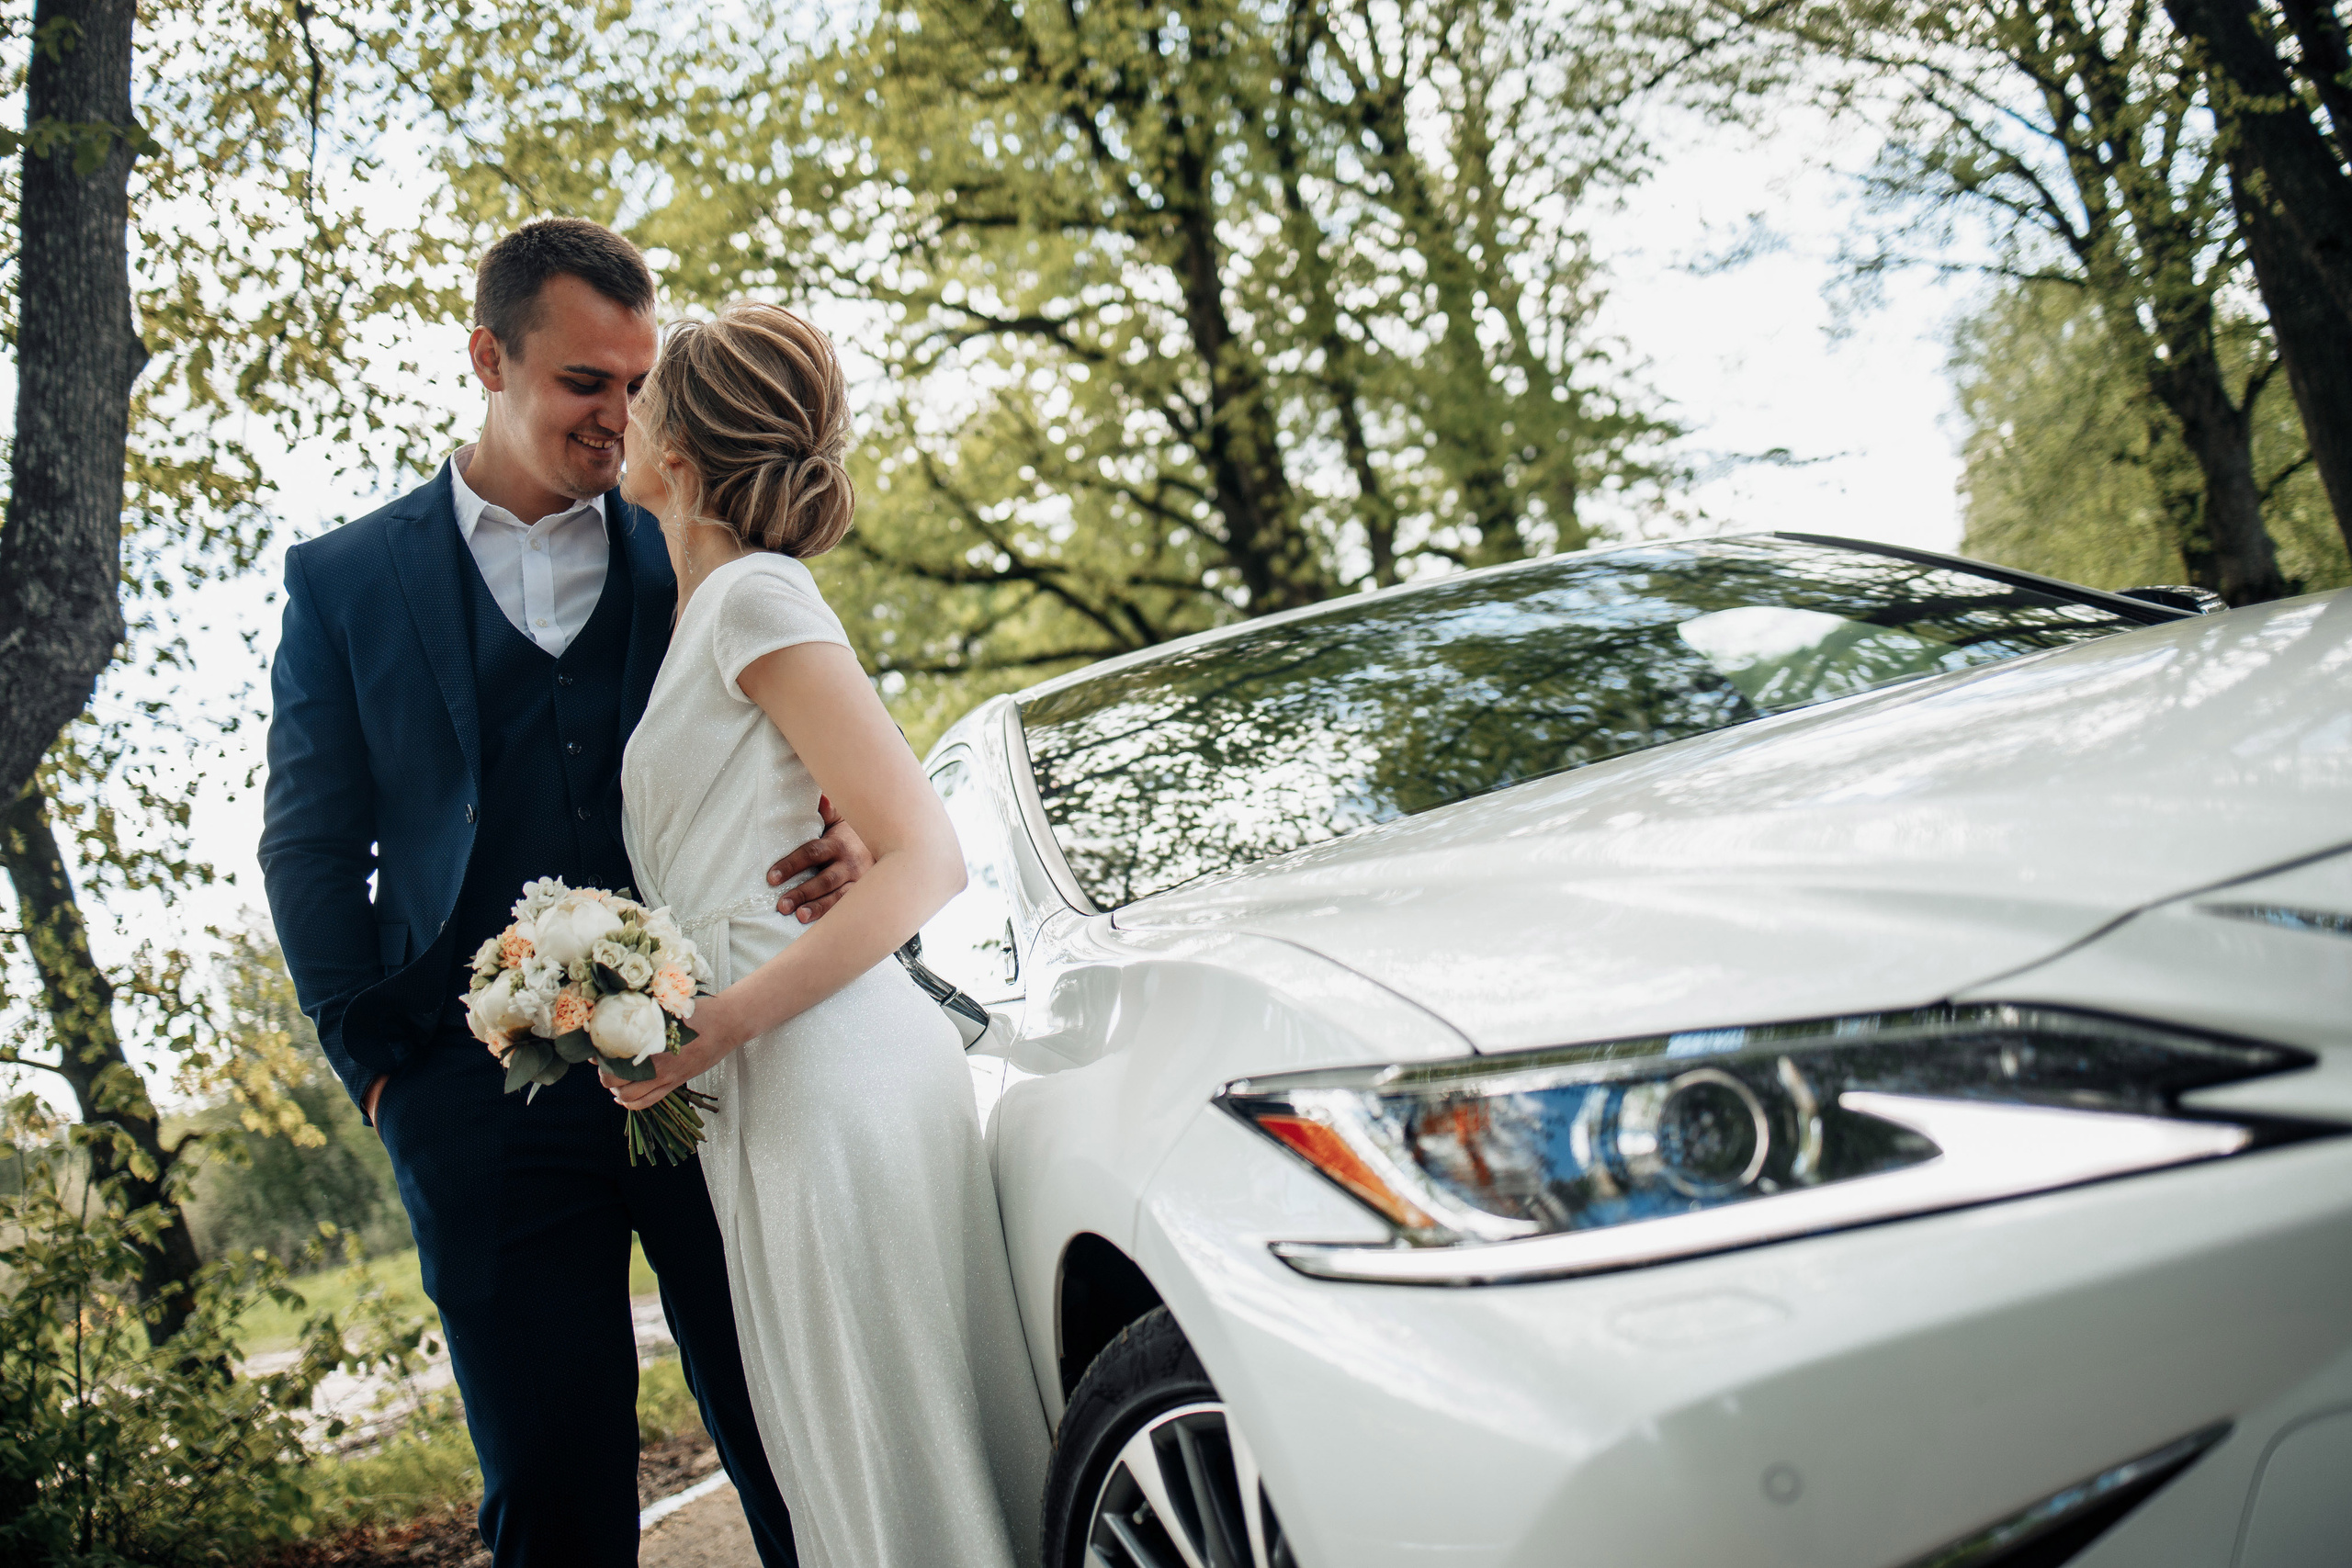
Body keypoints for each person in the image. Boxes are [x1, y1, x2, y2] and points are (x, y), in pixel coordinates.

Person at [260, 219, 863, 1566]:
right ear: (489, 357)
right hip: (478, 1096)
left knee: (792, 1440)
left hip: (717, 1072)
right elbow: (309, 844)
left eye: (641, 381)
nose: (625, 413)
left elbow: (818, 751)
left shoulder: (698, 540)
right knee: (551, 1488)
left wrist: (854, 844)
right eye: (588, 381)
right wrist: (380, 1068)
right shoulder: (345, 581)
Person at [604, 300, 1051, 1568]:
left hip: (821, 1064)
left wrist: (719, 1023)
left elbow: (926, 856)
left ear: (679, 446)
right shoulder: (709, 611)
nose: (626, 415)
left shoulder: (755, 594)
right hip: (759, 1078)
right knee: (840, 1439)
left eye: (647, 398)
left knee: (889, 1429)